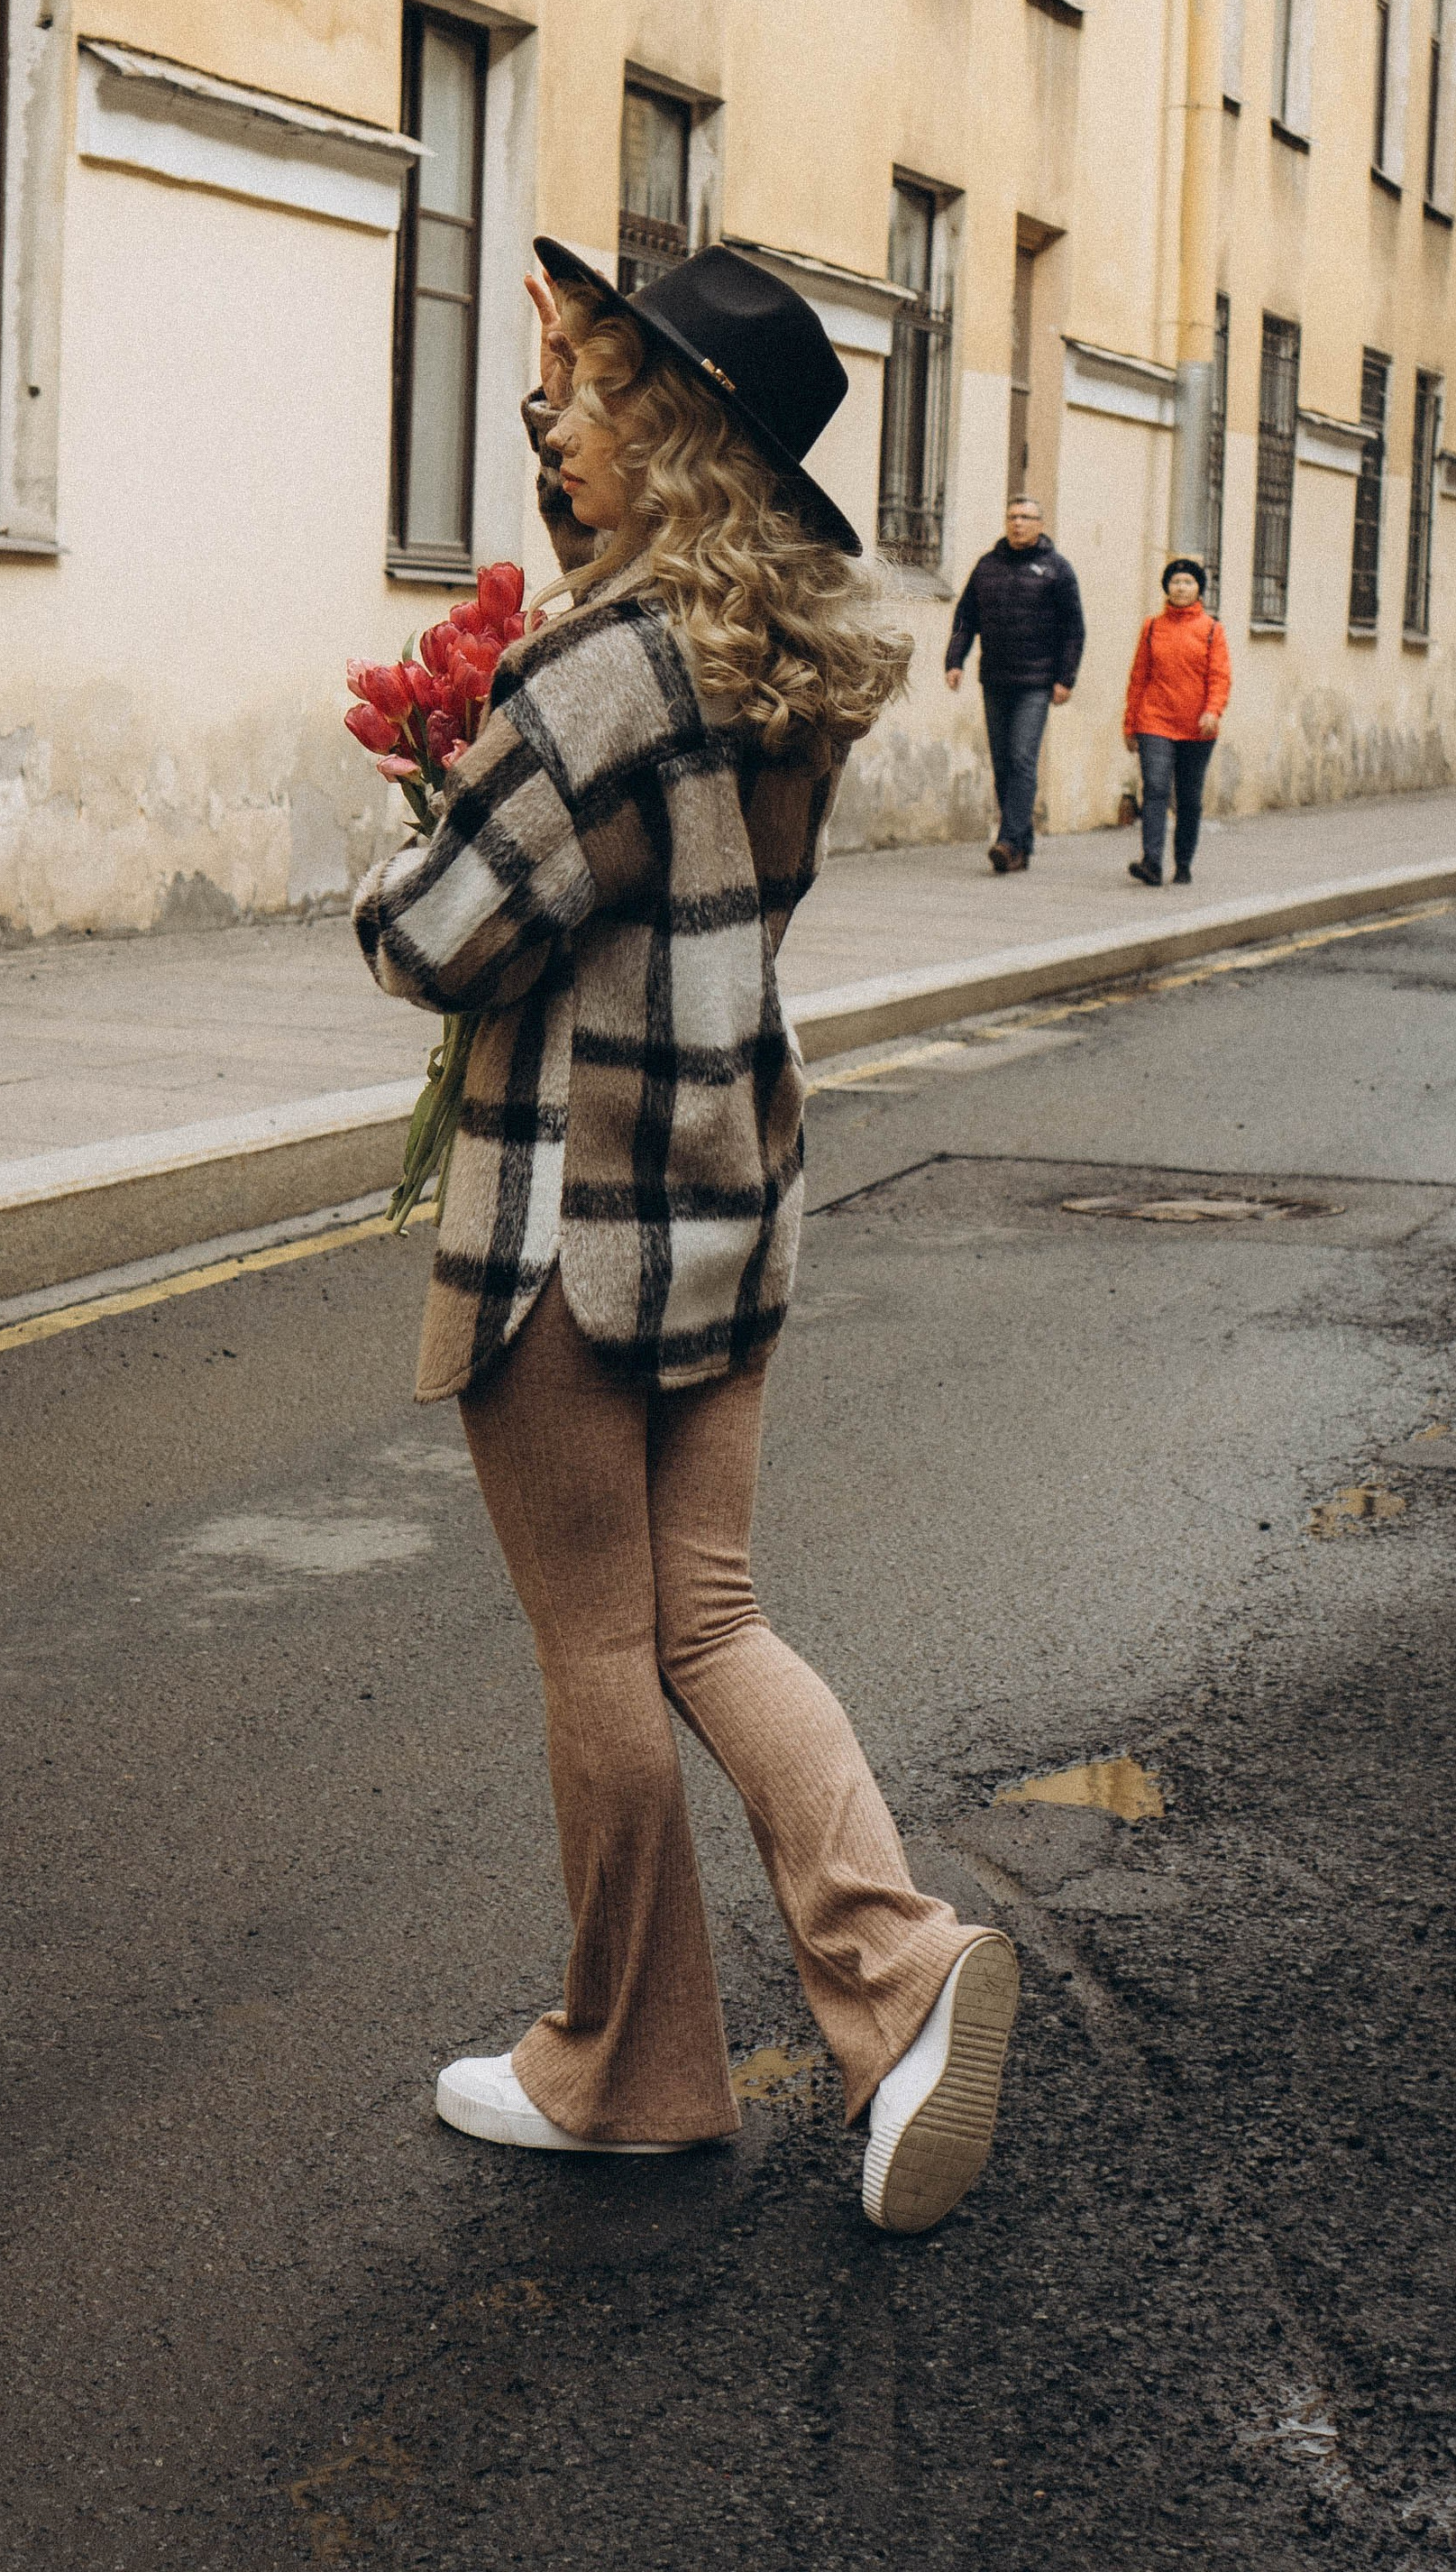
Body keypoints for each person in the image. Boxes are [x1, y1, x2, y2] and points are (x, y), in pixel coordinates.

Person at [353, 239, 1018, 2236]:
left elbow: (435, 939)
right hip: (730, 1202)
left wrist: (409, 819)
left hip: (570, 1225)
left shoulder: (600, 677)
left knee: (599, 1647)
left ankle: (661, 2050)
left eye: (595, 394)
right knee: (710, 1619)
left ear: (682, 443)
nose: (553, 419)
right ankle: (850, 1993)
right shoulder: (781, 679)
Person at [943, 494, 1085, 870]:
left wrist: (1065, 678)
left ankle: (1006, 840)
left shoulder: (1056, 570)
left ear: (1040, 524)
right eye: (1012, 516)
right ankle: (1020, 845)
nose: (1018, 523)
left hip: (1036, 682)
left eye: (1026, 517)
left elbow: (1074, 628)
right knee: (1003, 763)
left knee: (1022, 758)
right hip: (995, 678)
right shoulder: (988, 566)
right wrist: (954, 661)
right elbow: (965, 617)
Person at [1122, 557, 1230, 885]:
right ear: (1166, 587)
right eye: (1175, 582)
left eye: (1188, 583)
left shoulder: (1212, 630)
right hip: (1155, 720)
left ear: (1199, 590)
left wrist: (1212, 710)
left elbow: (1220, 676)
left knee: (1188, 796)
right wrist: (1131, 723)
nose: (1181, 588)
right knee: (1154, 788)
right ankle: (1152, 862)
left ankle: (1183, 861)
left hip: (1198, 726)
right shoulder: (1152, 627)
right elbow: (1138, 677)